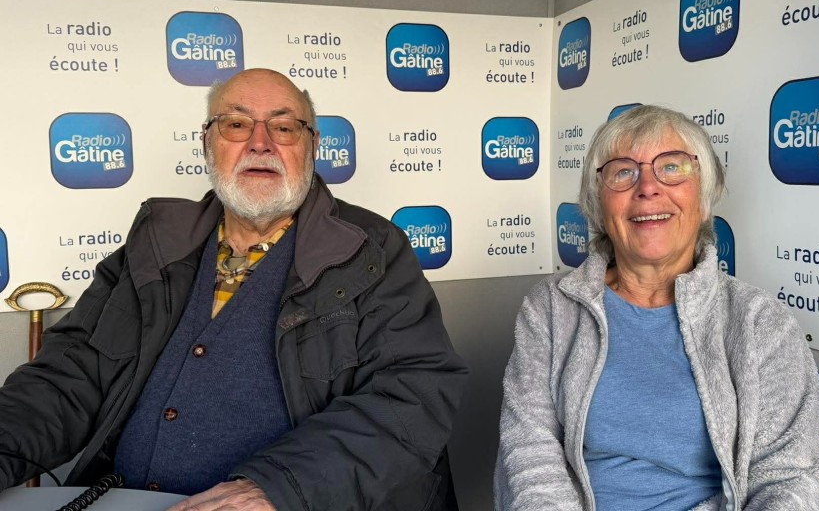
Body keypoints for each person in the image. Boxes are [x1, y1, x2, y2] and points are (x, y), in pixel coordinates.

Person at [0, 68, 468, 510]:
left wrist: (280, 488)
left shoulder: (372, 249)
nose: (260, 143)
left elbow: (414, 393)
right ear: (208, 142)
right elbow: (70, 374)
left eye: (284, 128)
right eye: (237, 124)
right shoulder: (155, 243)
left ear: (312, 146)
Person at [494, 105, 819, 510]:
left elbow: (788, 477)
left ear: (704, 198)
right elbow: (529, 450)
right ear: (598, 205)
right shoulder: (550, 307)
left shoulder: (761, 322)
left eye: (672, 167)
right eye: (623, 172)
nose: (648, 187)